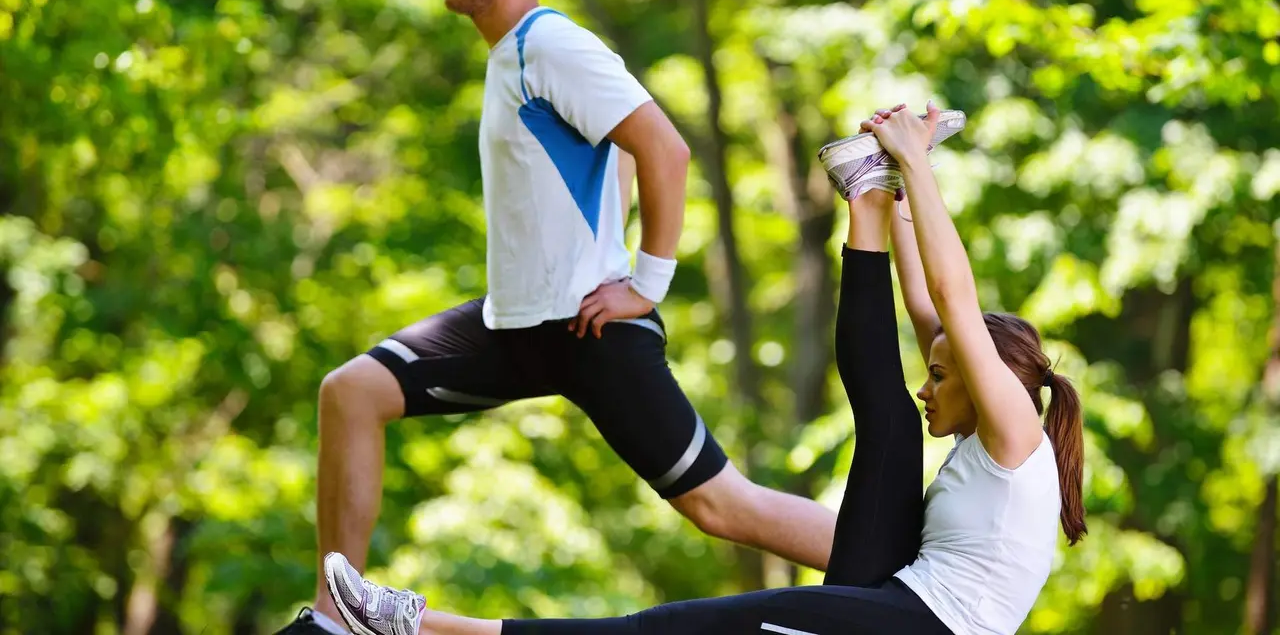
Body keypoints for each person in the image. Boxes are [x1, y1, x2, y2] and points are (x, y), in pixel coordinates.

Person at [276, 0, 880, 632]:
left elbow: (664, 149)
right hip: (513, 326)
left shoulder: (550, 44)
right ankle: (338, 616)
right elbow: (614, 156)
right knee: (351, 393)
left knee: (720, 505)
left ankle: (907, 574)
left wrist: (643, 285)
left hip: (587, 330)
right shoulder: (511, 56)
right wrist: (603, 246)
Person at [316, 101, 1088, 635]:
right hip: (898, 590)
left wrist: (917, 160)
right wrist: (898, 196)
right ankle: (866, 198)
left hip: (927, 626)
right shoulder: (989, 429)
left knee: (673, 630)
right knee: (885, 415)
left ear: (989, 383)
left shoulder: (1014, 434)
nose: (928, 382)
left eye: (943, 376)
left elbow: (953, 298)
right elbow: (924, 304)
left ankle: (414, 626)